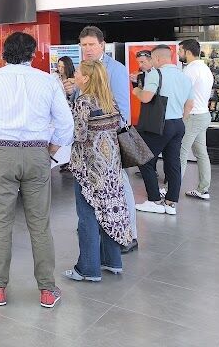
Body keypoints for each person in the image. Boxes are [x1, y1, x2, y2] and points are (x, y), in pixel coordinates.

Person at [0, 32, 73, 310]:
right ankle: (47, 290)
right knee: (40, 224)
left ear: (2, 54)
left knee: (1, 224)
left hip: (1, 152)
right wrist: (52, 150)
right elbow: (65, 123)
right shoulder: (48, 81)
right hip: (37, 153)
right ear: (32, 54)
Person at [65, 60, 131, 282]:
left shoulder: (83, 102)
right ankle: (112, 261)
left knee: (87, 217)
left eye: (78, 72)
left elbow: (78, 135)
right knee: (109, 212)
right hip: (111, 167)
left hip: (89, 168)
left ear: (86, 78)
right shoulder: (109, 100)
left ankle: (87, 269)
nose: (74, 74)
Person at [76, 26, 139, 254]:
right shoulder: (83, 69)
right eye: (84, 45)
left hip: (110, 142)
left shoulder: (116, 69)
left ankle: (129, 234)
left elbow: (123, 110)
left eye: (91, 44)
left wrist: (114, 140)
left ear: (102, 44)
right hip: (91, 148)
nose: (87, 49)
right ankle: (110, 235)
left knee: (121, 187)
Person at [134, 45, 193, 215]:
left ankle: (154, 200)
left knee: (144, 159)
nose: (151, 62)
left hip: (159, 125)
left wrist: (137, 90)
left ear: (158, 59)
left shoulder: (155, 74)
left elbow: (146, 98)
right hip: (178, 125)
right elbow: (190, 104)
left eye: (151, 59)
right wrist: (180, 119)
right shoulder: (184, 76)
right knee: (173, 162)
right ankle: (171, 202)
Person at [178, 39, 213, 200]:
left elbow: (183, 95)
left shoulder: (190, 70)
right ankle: (203, 189)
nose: (178, 54)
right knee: (201, 153)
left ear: (187, 52)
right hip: (204, 115)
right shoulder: (205, 68)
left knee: (181, 152)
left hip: (192, 116)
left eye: (180, 51)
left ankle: (171, 189)